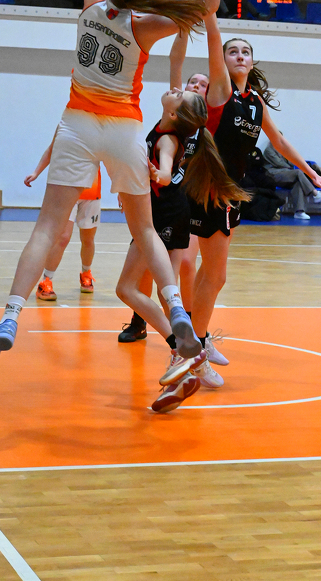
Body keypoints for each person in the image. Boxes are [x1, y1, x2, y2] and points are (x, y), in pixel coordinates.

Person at [0, 0, 210, 367]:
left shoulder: (90, 2)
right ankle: (177, 312)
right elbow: (204, 5)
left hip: (77, 123)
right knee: (145, 231)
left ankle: (10, 317)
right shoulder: (146, 26)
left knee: (46, 227)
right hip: (123, 129)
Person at [184, 0, 321, 380]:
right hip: (207, 188)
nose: (238, 55)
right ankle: (191, 350)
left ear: (252, 61)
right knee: (207, 274)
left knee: (212, 275)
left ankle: (194, 341)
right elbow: (212, 29)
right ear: (223, 60)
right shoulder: (221, 91)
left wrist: (312, 175)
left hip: (230, 193)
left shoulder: (254, 101)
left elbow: (280, 140)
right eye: (232, 51)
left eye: (245, 52)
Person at [116, 51, 248, 412]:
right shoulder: (172, 124)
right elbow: (176, 63)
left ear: (177, 112)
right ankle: (184, 352)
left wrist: (149, 172)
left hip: (164, 215)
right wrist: (181, 32)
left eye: (182, 92)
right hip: (162, 213)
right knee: (148, 290)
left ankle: (183, 349)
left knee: (149, 289)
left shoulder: (169, 139)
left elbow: (163, 172)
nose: (176, 90)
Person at [24, 132, 101, 300]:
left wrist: (121, 190)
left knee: (88, 239)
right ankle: (46, 281)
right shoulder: (66, 125)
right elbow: (52, 149)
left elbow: (112, 160)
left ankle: (86, 273)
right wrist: (36, 172)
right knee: (63, 238)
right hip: (68, 190)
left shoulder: (102, 127)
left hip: (91, 192)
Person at [263, 139, 321, 220]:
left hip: (284, 174)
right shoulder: (269, 150)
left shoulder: (282, 150)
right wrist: (289, 162)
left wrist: (289, 155)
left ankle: (299, 212)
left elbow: (292, 162)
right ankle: (315, 193)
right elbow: (280, 164)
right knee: (298, 172)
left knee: (298, 183)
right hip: (273, 175)